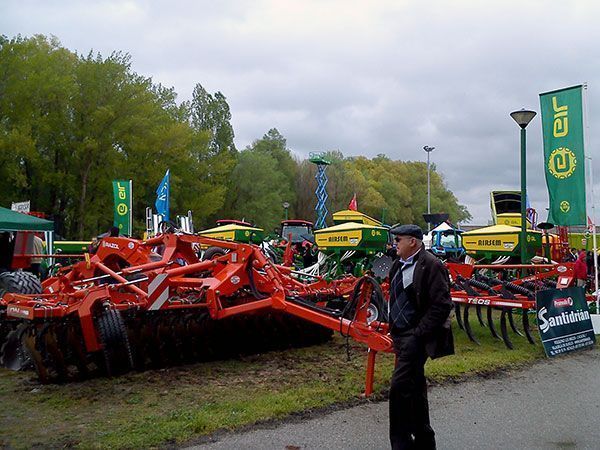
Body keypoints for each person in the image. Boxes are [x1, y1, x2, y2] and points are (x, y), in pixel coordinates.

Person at [388, 224, 454, 450]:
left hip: (415, 338)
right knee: (414, 390)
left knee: (398, 389)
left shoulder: (432, 265)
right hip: (399, 336)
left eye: (398, 240)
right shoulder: (397, 265)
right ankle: (425, 441)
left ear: (413, 242)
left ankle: (400, 443)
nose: (394, 244)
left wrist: (418, 336)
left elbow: (441, 305)